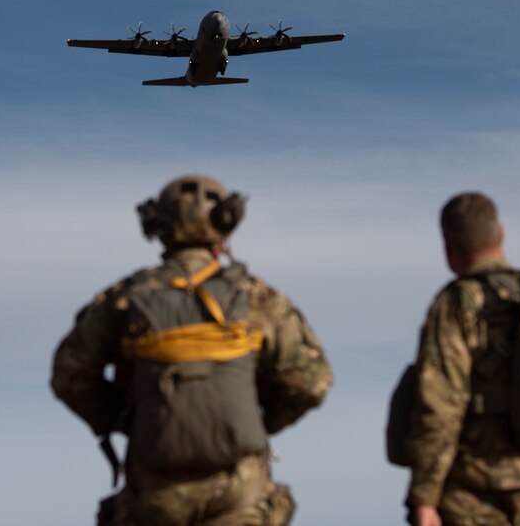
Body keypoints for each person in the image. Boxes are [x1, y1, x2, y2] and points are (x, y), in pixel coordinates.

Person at [51, 174, 333, 526]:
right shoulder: (260, 299)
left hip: (155, 493)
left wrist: (124, 421)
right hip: (240, 489)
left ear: (158, 226)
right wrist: (259, 423)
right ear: (226, 224)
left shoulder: (123, 298)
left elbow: (70, 375)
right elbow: (310, 383)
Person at [406, 192, 520, 526]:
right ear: (501, 233)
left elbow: (440, 404)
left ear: (448, 247)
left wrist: (424, 496)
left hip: (482, 488)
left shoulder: (457, 303)